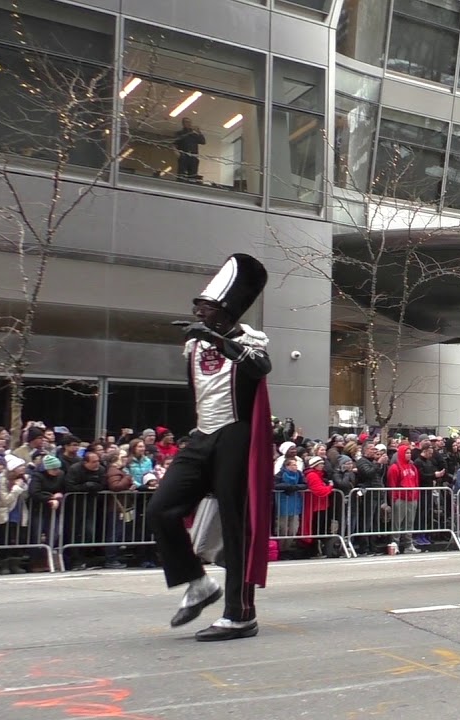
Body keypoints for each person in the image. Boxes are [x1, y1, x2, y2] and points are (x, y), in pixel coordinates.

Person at [145, 254, 273, 642]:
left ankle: (240, 614)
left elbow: (260, 368)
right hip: (202, 435)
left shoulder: (249, 340)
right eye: (198, 305)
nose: (197, 310)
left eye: (206, 306)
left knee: (237, 527)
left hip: (236, 436)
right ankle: (197, 582)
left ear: (225, 311)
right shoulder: (195, 344)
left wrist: (215, 339)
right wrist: (204, 338)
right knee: (161, 509)